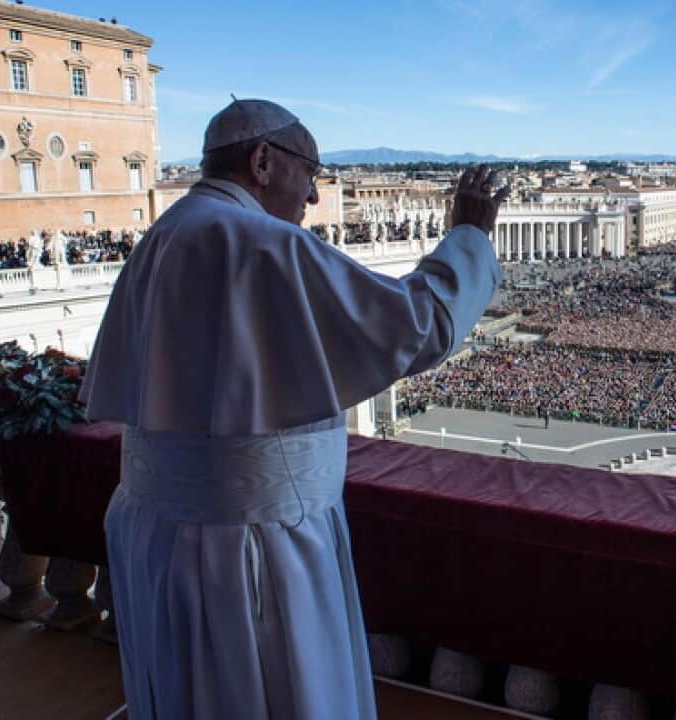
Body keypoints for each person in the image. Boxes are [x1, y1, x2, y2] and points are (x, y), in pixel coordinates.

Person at [79, 99, 509, 719]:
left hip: (157, 533)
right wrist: (467, 237)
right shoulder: (266, 244)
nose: (312, 197)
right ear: (262, 161)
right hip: (257, 545)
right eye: (310, 173)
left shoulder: (162, 236)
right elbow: (417, 327)